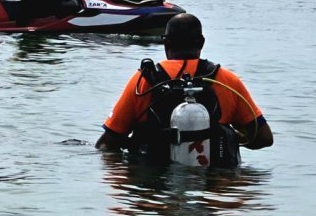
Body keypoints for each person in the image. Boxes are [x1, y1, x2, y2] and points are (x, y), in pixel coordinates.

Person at [95, 13, 273, 167]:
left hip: (154, 194)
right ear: (201, 43)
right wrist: (230, 137)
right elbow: (263, 138)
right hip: (213, 196)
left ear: (166, 43)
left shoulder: (144, 80)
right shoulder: (226, 80)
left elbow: (109, 142)